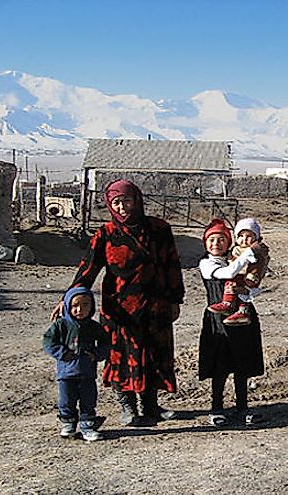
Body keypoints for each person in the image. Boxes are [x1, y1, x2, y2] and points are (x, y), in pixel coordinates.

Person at [54, 179, 184, 426]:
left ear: (136, 200)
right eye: (116, 202)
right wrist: (68, 297)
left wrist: (175, 299)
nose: (122, 207)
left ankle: (151, 406)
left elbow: (172, 265)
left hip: (155, 307)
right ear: (109, 205)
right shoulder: (105, 234)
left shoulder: (159, 229)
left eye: (126, 200)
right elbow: (88, 269)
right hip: (119, 309)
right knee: (120, 357)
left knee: (153, 354)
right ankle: (127, 407)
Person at [199, 219, 266, 426]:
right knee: (220, 364)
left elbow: (256, 287)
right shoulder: (207, 263)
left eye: (221, 239)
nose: (216, 244)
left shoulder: (235, 258)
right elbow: (228, 274)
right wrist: (250, 252)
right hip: (217, 319)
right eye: (211, 239)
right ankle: (217, 407)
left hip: (243, 316)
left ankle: (242, 407)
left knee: (241, 363)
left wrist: (249, 290)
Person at [43, 287, 109, 442]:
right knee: (66, 400)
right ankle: (68, 424)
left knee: (88, 400)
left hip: (87, 373)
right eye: (75, 306)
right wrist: (62, 354)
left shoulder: (93, 327)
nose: (80, 309)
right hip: (66, 373)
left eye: (85, 305)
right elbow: (48, 342)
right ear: (67, 306)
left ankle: (87, 426)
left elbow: (105, 342)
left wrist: (97, 355)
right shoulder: (61, 325)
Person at [207, 217, 270, 326]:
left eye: (249, 236)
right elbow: (230, 272)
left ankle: (242, 312)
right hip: (235, 278)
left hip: (248, 278)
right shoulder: (207, 262)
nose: (244, 239)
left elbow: (260, 264)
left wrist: (254, 274)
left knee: (243, 291)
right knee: (231, 284)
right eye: (240, 236)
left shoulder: (257, 250)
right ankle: (228, 304)